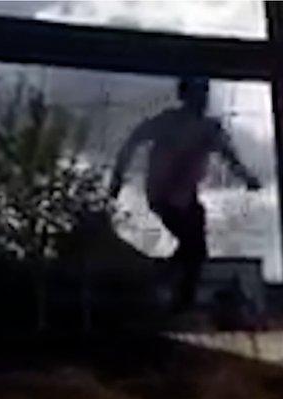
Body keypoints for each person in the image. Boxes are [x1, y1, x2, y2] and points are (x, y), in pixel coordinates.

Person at [110, 76, 262, 312]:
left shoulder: (209, 128)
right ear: (186, 96)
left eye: (204, 94)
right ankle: (177, 290)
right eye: (198, 94)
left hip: (185, 197)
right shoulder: (169, 121)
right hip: (162, 194)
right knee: (194, 245)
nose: (202, 100)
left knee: (195, 245)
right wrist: (118, 175)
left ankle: (176, 287)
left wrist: (246, 177)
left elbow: (228, 155)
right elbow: (134, 139)